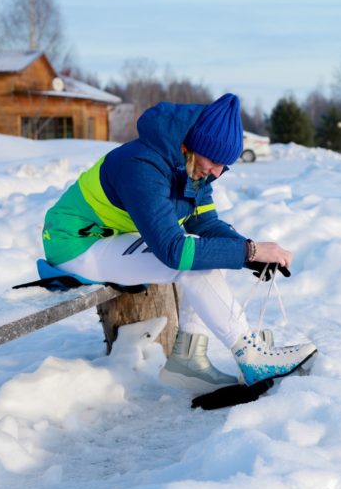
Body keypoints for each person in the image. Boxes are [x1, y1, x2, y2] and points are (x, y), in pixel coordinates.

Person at [41, 93, 316, 394]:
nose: (216, 173)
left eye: (224, 166)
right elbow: (174, 252)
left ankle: (189, 359)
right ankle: (251, 356)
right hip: (77, 242)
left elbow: (206, 224)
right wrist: (248, 251)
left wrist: (250, 252)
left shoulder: (193, 168)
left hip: (112, 238)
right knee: (192, 265)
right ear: (191, 146)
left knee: (208, 257)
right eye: (213, 161)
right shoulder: (142, 166)